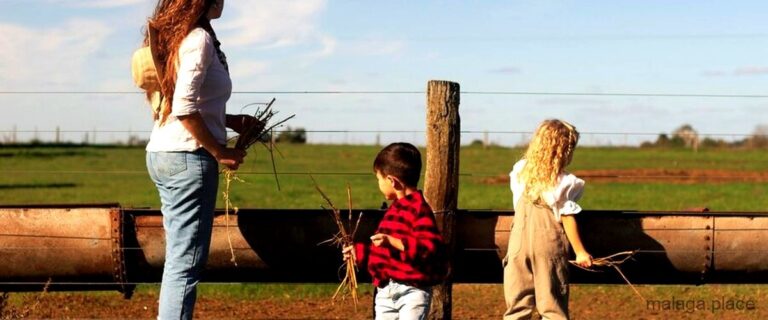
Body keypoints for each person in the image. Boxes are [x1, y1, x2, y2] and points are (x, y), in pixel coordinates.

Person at [139, 0, 256, 318]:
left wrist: (231, 121)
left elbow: (188, 102)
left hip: (165, 153)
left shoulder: (180, 37)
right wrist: (221, 152)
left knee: (179, 259)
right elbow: (184, 107)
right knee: (185, 263)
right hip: (189, 158)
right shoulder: (198, 39)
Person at [343, 142, 447, 320]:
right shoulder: (393, 211)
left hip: (412, 290)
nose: (379, 184)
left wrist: (392, 241)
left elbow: (429, 247)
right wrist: (359, 253)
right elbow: (384, 252)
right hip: (385, 290)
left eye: (379, 179)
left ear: (392, 181)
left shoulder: (419, 210)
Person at [503, 119, 593, 320]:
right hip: (548, 246)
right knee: (552, 307)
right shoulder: (565, 182)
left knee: (517, 306)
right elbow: (567, 216)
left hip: (517, 246)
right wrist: (580, 252)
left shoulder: (520, 171)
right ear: (564, 151)